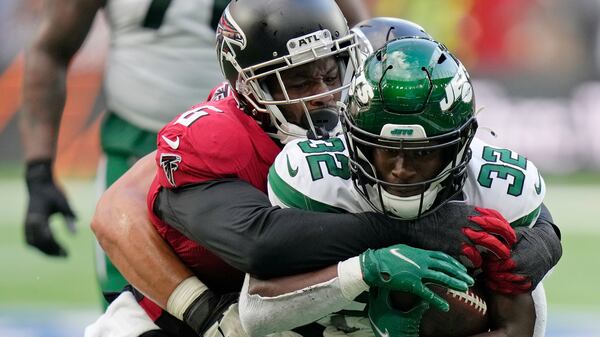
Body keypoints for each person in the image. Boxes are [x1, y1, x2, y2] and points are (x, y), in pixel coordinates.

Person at [89, 9, 560, 337]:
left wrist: (543, 234)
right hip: (186, 321)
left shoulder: (370, 122)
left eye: (332, 73)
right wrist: (205, 313)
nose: (322, 95)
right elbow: (120, 213)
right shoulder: (220, 136)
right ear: (245, 84)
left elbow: (489, 181)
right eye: (297, 80)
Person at [19, 0, 371, 305]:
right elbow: (51, 49)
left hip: (268, 134)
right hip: (139, 140)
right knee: (137, 298)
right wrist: (38, 169)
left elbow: (353, 34)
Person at [238, 37, 559, 337]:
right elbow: (253, 314)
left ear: (459, 146)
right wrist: (364, 270)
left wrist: (546, 232)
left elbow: (523, 327)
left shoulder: (498, 189)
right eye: (387, 150)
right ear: (355, 140)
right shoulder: (316, 179)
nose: (401, 170)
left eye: (421, 152)